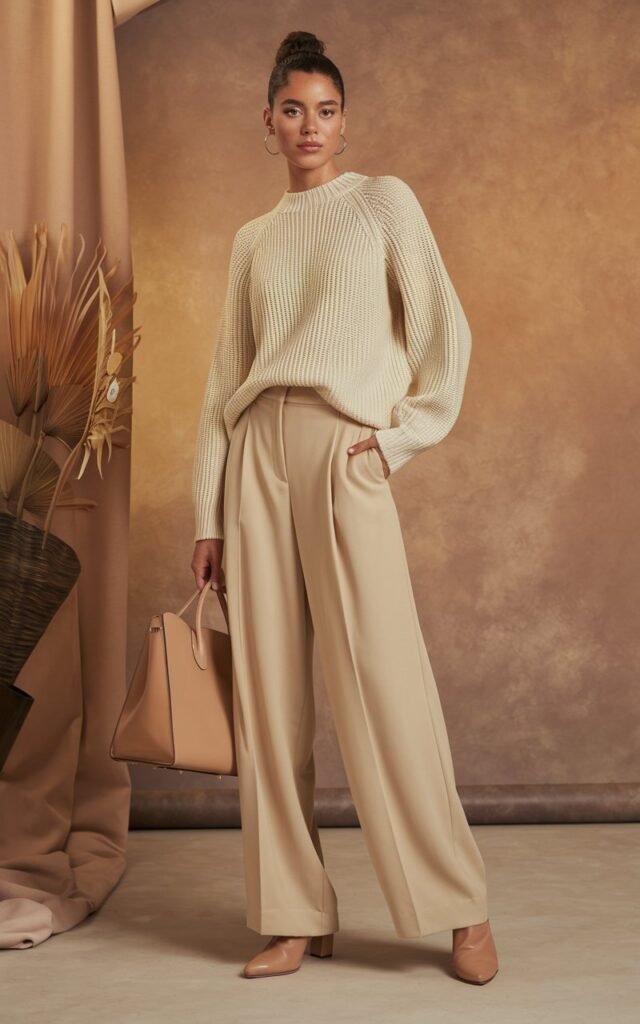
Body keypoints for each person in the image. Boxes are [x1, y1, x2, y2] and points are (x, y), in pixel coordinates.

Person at [190, 30, 499, 985]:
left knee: (384, 681)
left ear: (344, 120)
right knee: (272, 697)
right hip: (255, 458)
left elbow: (445, 333)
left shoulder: (383, 203)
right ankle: (294, 915)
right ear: (269, 123)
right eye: (293, 110)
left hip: (342, 446)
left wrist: (396, 438)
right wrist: (207, 511)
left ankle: (460, 909)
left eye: (325, 110)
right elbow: (220, 383)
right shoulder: (253, 240)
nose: (309, 125)